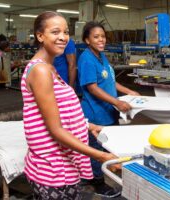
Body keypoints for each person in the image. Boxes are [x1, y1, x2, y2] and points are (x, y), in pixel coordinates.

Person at [20, 11, 120, 199]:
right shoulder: (40, 70)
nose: (63, 37)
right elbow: (55, 129)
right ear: (40, 36)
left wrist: (87, 126)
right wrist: (100, 156)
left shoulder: (50, 68)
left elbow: (61, 113)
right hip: (52, 171)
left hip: (64, 166)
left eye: (66, 32)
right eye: (55, 32)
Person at [77, 21, 140, 198]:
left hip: (109, 112)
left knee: (110, 146)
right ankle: (97, 182)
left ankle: (109, 171)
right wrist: (117, 102)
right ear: (87, 40)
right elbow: (92, 88)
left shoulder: (101, 56)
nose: (101, 40)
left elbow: (110, 80)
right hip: (95, 114)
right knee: (97, 150)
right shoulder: (87, 59)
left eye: (103, 36)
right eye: (96, 37)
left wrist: (128, 91)